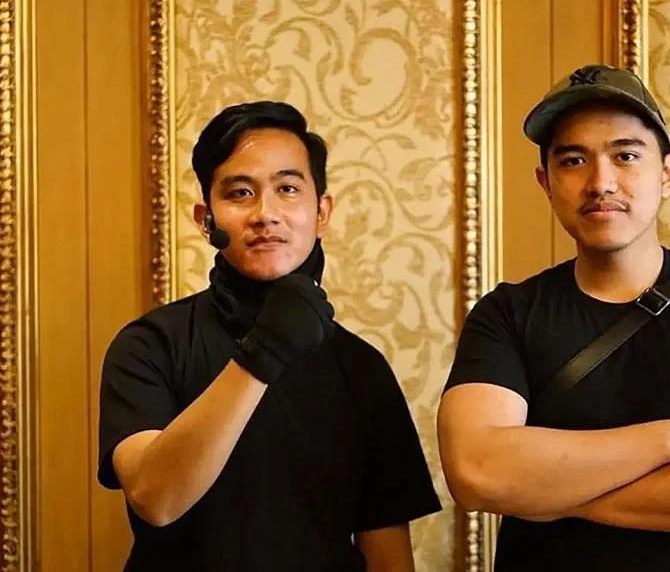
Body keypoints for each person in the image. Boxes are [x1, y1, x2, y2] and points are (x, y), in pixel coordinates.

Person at [437, 64, 670, 571]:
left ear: (668, 173)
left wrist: (552, 495)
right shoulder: (505, 314)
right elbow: (478, 473)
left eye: (626, 155)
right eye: (574, 161)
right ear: (546, 182)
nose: (601, 182)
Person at [98, 101, 441, 571]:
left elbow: (388, 554)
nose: (266, 213)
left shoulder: (362, 367)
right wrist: (265, 352)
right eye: (240, 193)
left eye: (287, 189)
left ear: (322, 212)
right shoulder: (150, 345)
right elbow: (156, 499)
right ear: (205, 219)